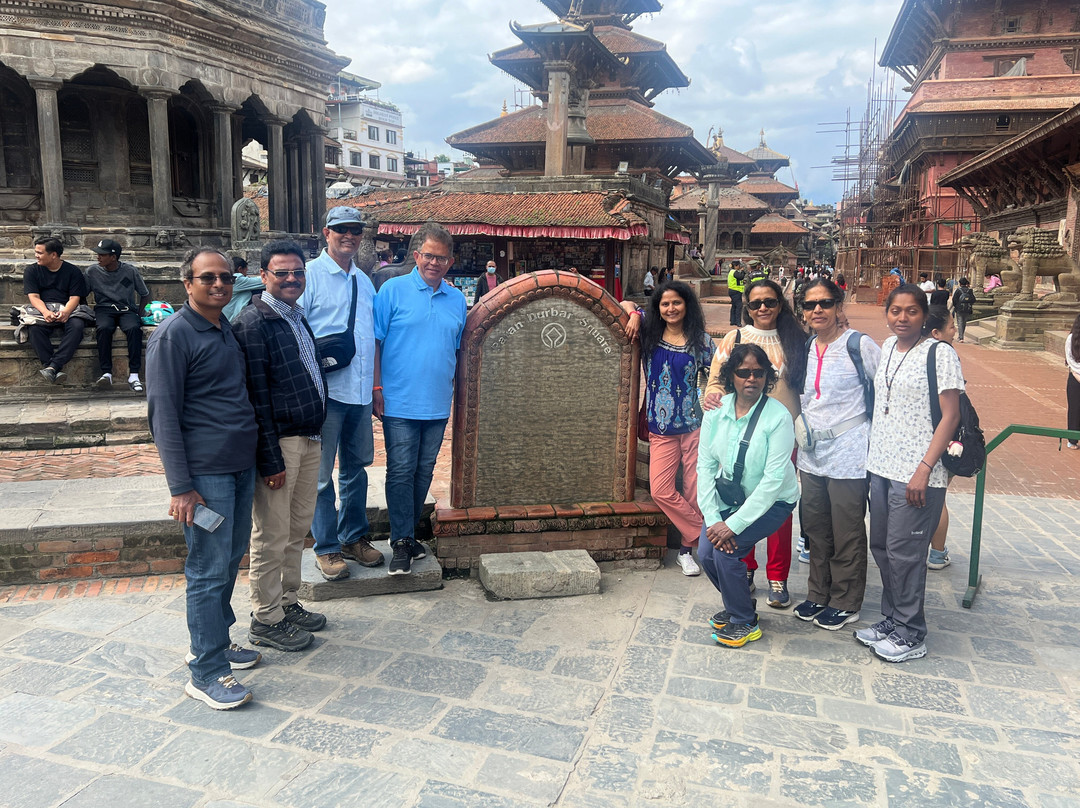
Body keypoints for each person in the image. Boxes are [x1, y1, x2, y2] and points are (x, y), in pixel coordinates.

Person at [145, 247, 260, 709]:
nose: (219, 285)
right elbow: (163, 415)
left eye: (226, 278)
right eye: (208, 278)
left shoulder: (223, 326)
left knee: (230, 559)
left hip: (238, 465)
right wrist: (180, 487)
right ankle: (206, 669)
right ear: (187, 284)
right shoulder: (174, 336)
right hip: (204, 475)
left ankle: (217, 638)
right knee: (208, 568)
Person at [856, 285, 962, 662]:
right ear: (887, 313)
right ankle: (893, 618)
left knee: (906, 553)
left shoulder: (940, 353)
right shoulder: (886, 347)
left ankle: (912, 632)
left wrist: (924, 469)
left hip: (918, 473)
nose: (903, 318)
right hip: (882, 466)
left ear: (923, 315)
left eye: (912, 311)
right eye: (896, 311)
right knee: (883, 547)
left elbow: (951, 415)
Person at [232, 240, 328, 653]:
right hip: (281, 443)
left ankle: (288, 602)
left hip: (309, 437)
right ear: (264, 276)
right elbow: (256, 397)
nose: (292, 279)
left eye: (298, 273)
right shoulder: (254, 323)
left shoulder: (295, 316)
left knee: (295, 529)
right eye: (282, 273)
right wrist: (269, 458)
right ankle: (265, 617)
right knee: (271, 533)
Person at [704, 278, 807, 608]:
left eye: (770, 301)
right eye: (755, 303)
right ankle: (744, 566)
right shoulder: (736, 338)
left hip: (780, 433)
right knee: (739, 498)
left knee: (775, 505)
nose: (763, 308)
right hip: (739, 434)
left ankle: (778, 575)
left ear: (781, 304)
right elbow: (716, 381)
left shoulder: (796, 339)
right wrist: (713, 400)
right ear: (746, 307)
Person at [374, 222, 467, 576]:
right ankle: (400, 541)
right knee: (400, 470)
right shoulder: (392, 291)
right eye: (429, 256)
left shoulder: (456, 299)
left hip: (437, 402)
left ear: (450, 261)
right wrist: (376, 389)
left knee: (423, 472)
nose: (434, 263)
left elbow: (459, 350)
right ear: (416, 256)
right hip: (398, 400)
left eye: (442, 258)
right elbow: (376, 343)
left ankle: (409, 534)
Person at [697, 344, 800, 647]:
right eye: (743, 372)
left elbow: (773, 481)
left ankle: (744, 621)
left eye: (758, 372)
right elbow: (705, 468)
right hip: (729, 498)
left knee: (726, 553)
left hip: (773, 502)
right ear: (731, 375)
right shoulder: (716, 412)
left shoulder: (778, 417)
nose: (751, 379)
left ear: (767, 376)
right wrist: (715, 520)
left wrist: (733, 526)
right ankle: (738, 603)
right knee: (706, 553)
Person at [793, 279, 881, 630]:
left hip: (850, 451)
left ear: (838, 307)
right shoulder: (805, 348)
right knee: (815, 526)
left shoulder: (859, 346)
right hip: (813, 454)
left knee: (846, 529)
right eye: (810, 304)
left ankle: (845, 600)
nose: (817, 310)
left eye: (825, 303)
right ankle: (818, 593)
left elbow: (883, 391)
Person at [301, 206, 380, 580]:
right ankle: (327, 546)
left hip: (360, 393)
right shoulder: (310, 276)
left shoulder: (364, 281)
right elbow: (298, 331)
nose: (349, 235)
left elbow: (371, 338)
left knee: (356, 470)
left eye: (355, 230)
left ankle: (353, 537)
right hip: (326, 394)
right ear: (325, 232)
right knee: (320, 476)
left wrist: (374, 387)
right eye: (341, 229)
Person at [623, 281, 716, 576]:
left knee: (694, 490)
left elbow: (718, 374)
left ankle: (686, 551)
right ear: (658, 308)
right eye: (665, 304)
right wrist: (636, 313)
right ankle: (704, 534)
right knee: (661, 489)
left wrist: (714, 394)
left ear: (687, 304)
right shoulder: (650, 334)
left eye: (676, 302)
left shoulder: (700, 341)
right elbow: (622, 304)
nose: (671, 308)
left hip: (695, 425)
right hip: (660, 426)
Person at [23, 237, 89, 384]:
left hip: (69, 309)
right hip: (43, 309)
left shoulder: (73, 271)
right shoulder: (32, 271)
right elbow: (33, 297)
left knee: (77, 327)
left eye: (40, 253)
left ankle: (52, 367)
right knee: (34, 329)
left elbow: (75, 297)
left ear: (53, 255)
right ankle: (52, 367)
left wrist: (65, 312)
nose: (36, 256)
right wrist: (46, 312)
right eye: (36, 252)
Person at [87, 238, 150, 392]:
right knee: (104, 328)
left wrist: (140, 314)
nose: (98, 257)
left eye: (102, 254)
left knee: (134, 328)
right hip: (104, 308)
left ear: (113, 257)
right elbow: (82, 293)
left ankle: (134, 375)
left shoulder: (130, 271)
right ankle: (106, 372)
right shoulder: (92, 272)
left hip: (126, 309)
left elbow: (145, 294)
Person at [924, 306, 957, 570]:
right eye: (952, 327)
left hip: (926, 437)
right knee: (938, 496)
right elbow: (953, 411)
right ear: (936, 333)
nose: (955, 332)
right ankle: (936, 553)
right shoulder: (943, 354)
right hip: (939, 438)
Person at [222, 255, 266, 322]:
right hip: (232, 320)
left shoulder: (228, 279)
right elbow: (263, 282)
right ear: (240, 269)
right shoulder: (236, 279)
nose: (246, 272)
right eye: (246, 270)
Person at [1067, 314, 1080, 451]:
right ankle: (1072, 439)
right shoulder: (1071, 339)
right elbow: (1071, 362)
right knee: (1075, 410)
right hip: (1075, 377)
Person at [951, 277, 976, 342]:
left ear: (960, 283)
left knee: (960, 322)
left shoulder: (958, 290)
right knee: (964, 322)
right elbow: (973, 299)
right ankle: (961, 335)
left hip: (959, 308)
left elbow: (954, 300)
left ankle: (961, 337)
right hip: (967, 309)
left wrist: (956, 306)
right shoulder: (970, 291)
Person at [727, 261, 746, 326]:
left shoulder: (731, 272)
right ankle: (738, 322)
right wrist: (743, 271)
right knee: (739, 306)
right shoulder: (734, 272)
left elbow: (738, 280)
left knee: (734, 306)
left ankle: (733, 321)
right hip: (736, 291)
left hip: (733, 290)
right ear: (735, 266)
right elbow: (741, 277)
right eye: (739, 265)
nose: (739, 266)